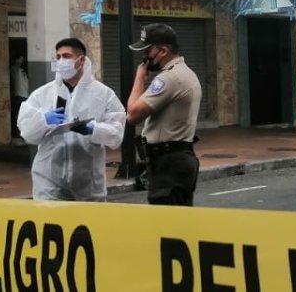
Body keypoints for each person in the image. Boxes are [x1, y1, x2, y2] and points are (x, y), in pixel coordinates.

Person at [17, 38, 125, 201]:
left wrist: (93, 129)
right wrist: (43, 120)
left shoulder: (103, 94)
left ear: (80, 60)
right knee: (51, 224)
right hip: (49, 181)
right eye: (58, 57)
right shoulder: (43, 94)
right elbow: (27, 133)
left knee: (87, 225)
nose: (61, 61)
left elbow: (116, 135)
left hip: (88, 183)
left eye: (66, 56)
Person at [125, 23, 202, 205]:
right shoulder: (186, 73)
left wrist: (139, 78)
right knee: (177, 224)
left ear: (163, 51)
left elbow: (132, 114)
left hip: (169, 164)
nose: (145, 57)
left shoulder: (169, 78)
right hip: (178, 159)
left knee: (167, 225)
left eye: (147, 51)